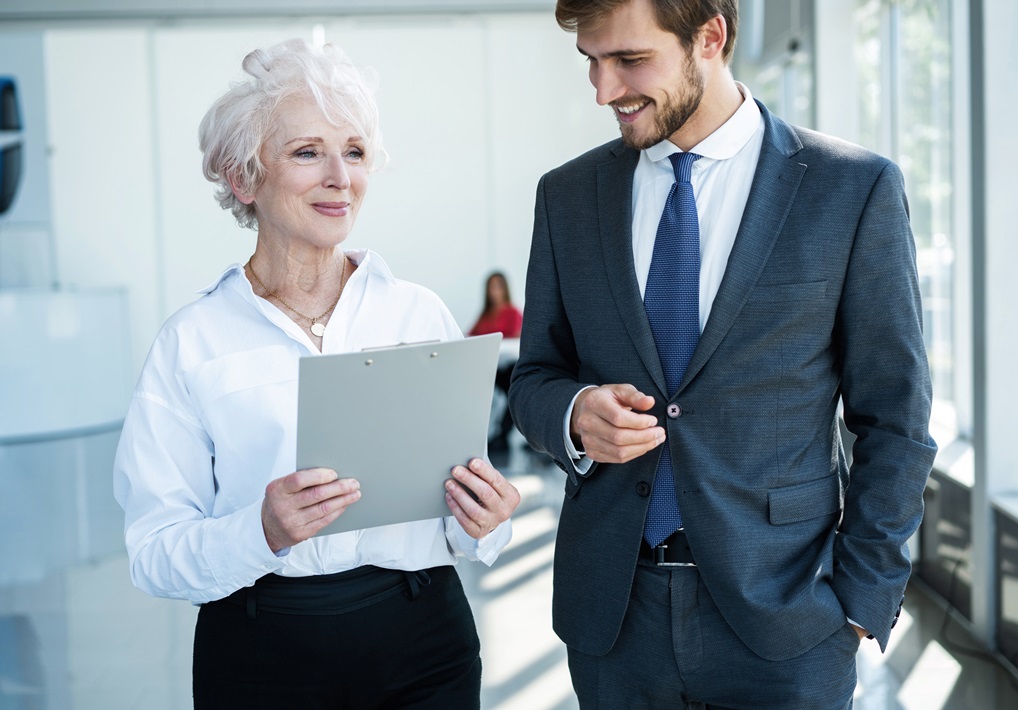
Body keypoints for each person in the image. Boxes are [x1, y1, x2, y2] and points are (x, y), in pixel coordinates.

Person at [508, 1, 936, 708]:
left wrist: (863, 597)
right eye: (592, 61)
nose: (603, 90)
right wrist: (577, 411)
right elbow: (534, 377)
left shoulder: (850, 190)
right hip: (613, 617)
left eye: (629, 60)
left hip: (790, 616)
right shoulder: (567, 196)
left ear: (710, 37)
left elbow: (895, 417)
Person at [113, 38, 520, 709]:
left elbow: (462, 514)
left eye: (354, 151)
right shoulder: (191, 343)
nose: (341, 175)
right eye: (308, 151)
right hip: (261, 650)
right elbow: (153, 553)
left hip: (425, 639)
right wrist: (261, 531)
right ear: (245, 178)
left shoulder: (418, 313)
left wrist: (486, 520)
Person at [468, 272, 523, 454]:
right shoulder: (485, 316)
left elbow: (516, 339)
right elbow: (470, 337)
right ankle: (499, 434)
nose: (494, 291)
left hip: (508, 366)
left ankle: (503, 433)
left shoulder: (512, 313)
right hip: (489, 368)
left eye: (498, 286)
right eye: (491, 287)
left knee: (513, 392)